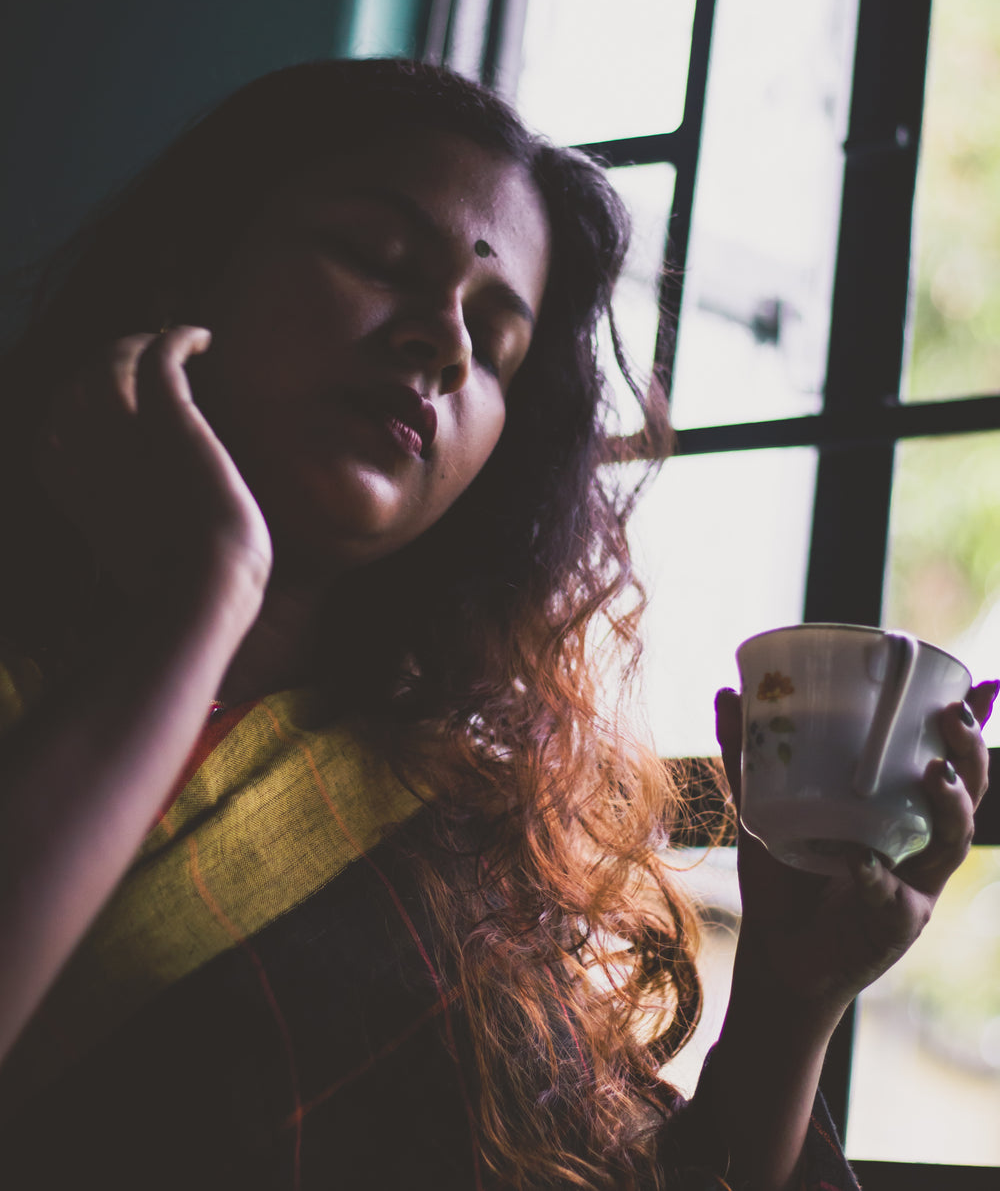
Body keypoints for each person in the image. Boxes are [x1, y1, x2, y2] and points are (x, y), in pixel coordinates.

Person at [0, 58, 993, 1191]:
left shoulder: (446, 821)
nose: (444, 343)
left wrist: (789, 998)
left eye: (494, 336)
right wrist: (211, 591)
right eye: (378, 260)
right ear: (196, 264)